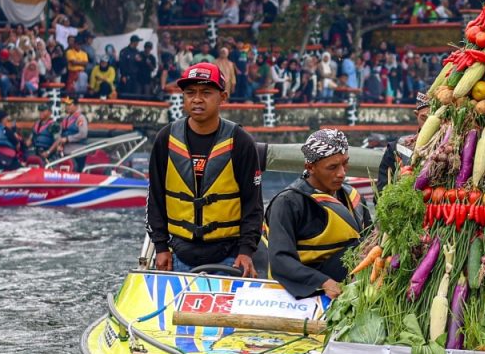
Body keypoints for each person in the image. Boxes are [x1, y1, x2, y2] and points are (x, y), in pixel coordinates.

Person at [146, 62, 263, 275]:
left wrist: (246, 251)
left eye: (206, 93)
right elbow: (155, 197)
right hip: (178, 254)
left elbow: (252, 204)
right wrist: (161, 246)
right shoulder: (166, 139)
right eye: (190, 93)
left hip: (228, 256)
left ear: (222, 97)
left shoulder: (240, 142)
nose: (197, 99)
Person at [257, 129, 372, 299]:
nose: (342, 173)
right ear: (310, 167)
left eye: (345, 164)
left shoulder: (353, 196)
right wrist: (323, 282)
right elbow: (280, 259)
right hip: (309, 288)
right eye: (332, 167)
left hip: (351, 282)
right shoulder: (287, 203)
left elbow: (370, 241)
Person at [377, 93, 430, 190]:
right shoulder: (397, 148)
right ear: (416, 115)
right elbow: (381, 192)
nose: (427, 125)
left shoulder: (451, 149)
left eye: (432, 120)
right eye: (424, 118)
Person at [51, 97, 90, 170]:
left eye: (70, 105)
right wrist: (60, 144)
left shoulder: (80, 118)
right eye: (66, 105)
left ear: (76, 106)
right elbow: (61, 133)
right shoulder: (65, 119)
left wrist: (68, 139)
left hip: (77, 151)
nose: (67, 107)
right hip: (66, 151)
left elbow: (83, 134)